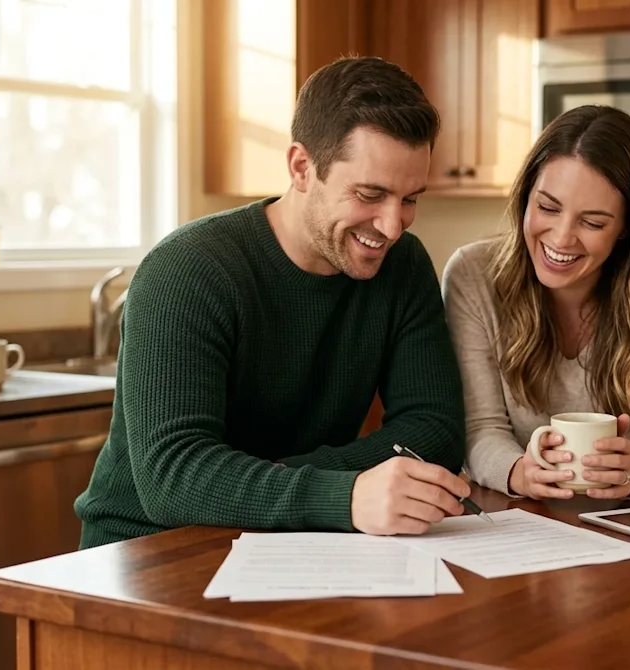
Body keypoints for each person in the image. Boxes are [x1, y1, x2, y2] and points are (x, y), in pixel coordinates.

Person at [74, 56, 473, 549]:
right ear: (302, 167)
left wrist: (257, 485)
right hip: (150, 550)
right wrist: (343, 495)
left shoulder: (402, 265)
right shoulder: (188, 270)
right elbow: (173, 479)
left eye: (411, 198)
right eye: (370, 194)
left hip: (299, 541)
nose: (393, 226)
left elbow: (434, 431)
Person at [441, 104, 630, 502]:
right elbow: (481, 429)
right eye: (547, 207)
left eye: (593, 223)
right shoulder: (472, 274)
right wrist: (519, 471)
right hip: (519, 523)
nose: (562, 238)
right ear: (525, 197)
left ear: (626, 229)